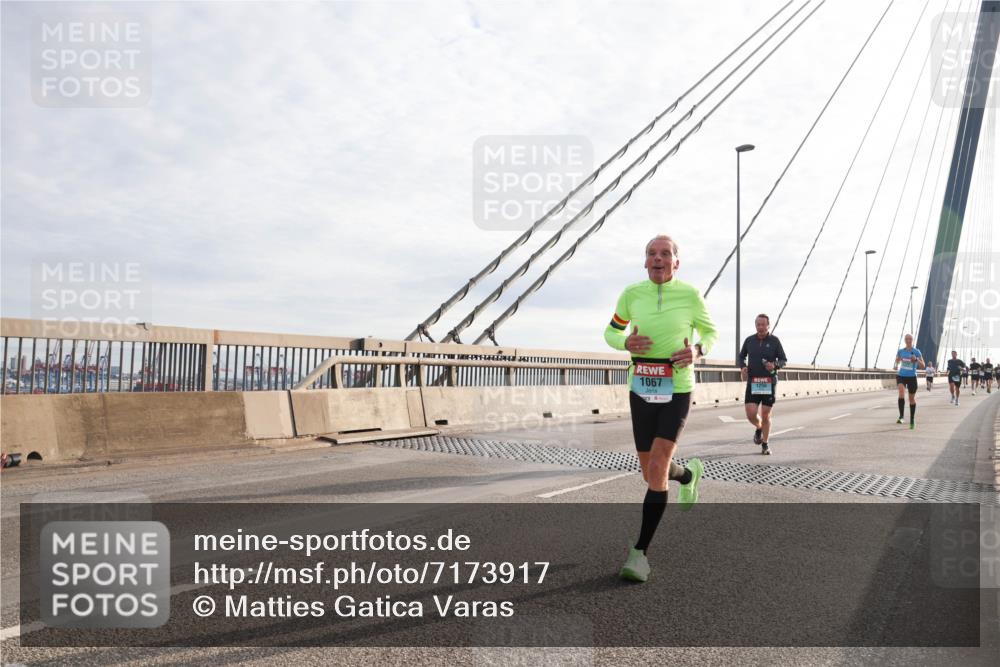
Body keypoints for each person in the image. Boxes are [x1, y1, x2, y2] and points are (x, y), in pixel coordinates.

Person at [604, 234, 718, 583]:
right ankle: (687, 475)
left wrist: (698, 351)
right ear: (645, 261)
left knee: (656, 467)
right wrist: (625, 342)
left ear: (676, 263)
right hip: (640, 388)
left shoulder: (690, 295)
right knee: (650, 472)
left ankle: (639, 554)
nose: (658, 258)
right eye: (652, 253)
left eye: (665, 253)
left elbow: (710, 333)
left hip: (676, 388)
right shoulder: (631, 294)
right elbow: (610, 332)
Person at [738, 314, 787, 455]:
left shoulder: (774, 341)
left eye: (763, 324)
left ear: (768, 325)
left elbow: (783, 360)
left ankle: (765, 444)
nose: (760, 327)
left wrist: (775, 365)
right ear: (755, 325)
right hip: (753, 382)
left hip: (768, 382)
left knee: (766, 415)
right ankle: (759, 427)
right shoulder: (749, 340)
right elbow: (741, 356)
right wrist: (743, 367)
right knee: (751, 414)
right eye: (758, 324)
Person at [894, 334, 925, 430]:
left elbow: (923, 365)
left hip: (912, 377)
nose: (908, 340)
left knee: (911, 399)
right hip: (901, 376)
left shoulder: (916, 351)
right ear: (904, 340)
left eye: (910, 339)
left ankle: (912, 420)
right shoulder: (900, 351)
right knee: (901, 392)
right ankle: (901, 417)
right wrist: (897, 361)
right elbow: (897, 362)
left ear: (912, 340)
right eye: (906, 339)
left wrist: (916, 359)